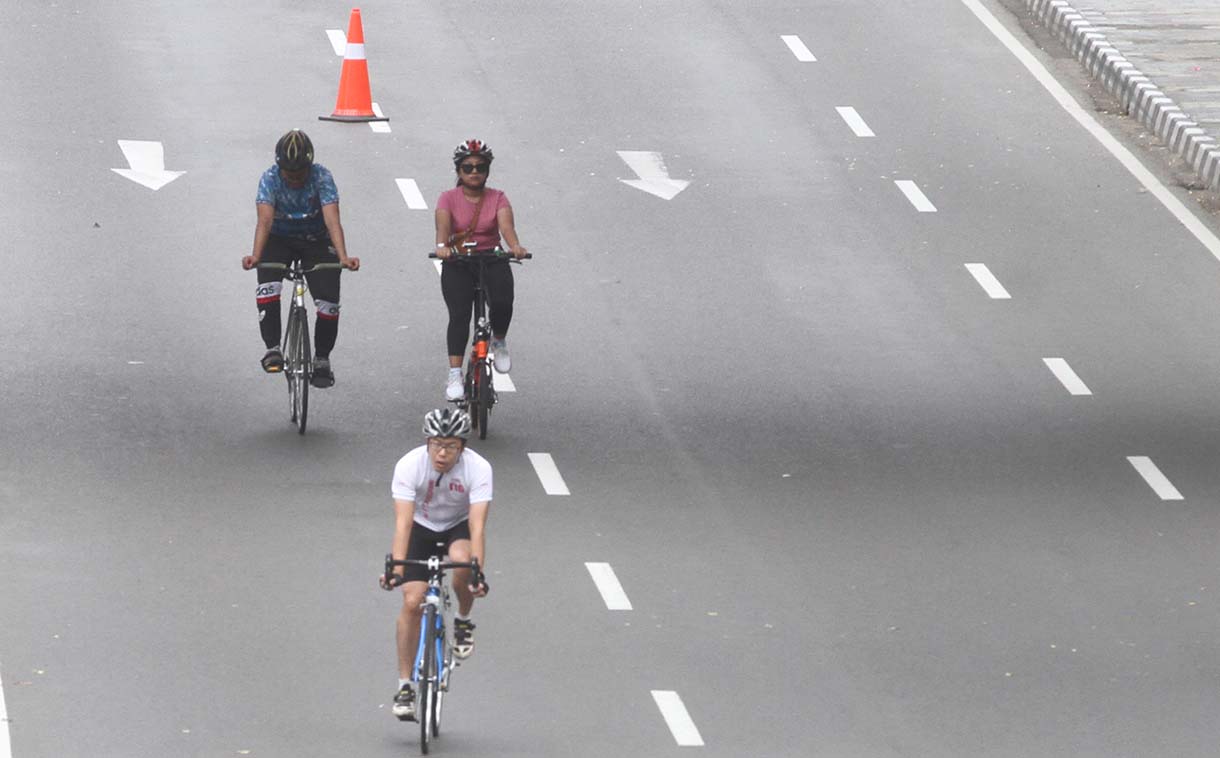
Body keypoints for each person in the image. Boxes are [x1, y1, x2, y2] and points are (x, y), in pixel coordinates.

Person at [383, 408, 491, 721]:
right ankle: (405, 686)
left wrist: (477, 573)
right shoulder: (409, 465)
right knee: (412, 601)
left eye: (451, 446)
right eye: (437, 445)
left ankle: (463, 620)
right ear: (427, 442)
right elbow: (403, 523)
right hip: (420, 528)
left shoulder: (479, 469)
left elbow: (478, 526)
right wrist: (396, 571)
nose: (443, 453)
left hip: (457, 527)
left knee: (461, 563)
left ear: (463, 448)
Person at [242, 129, 359, 388]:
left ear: (309, 166)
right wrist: (256, 256)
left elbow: (332, 220)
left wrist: (343, 257)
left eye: (300, 174)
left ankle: (322, 360)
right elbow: (264, 220)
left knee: (329, 303)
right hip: (278, 238)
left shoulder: (322, 177)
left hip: (316, 239)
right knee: (267, 288)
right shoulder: (270, 178)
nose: (294, 179)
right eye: (289, 174)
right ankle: (272, 347)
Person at [433, 139, 528, 401]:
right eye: (468, 167)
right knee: (459, 316)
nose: (474, 172)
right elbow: (442, 228)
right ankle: (454, 373)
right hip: (459, 261)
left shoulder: (498, 197)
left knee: (502, 301)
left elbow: (506, 227)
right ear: (458, 171)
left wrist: (515, 246)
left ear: (487, 170)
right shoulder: (447, 198)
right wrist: (442, 247)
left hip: (491, 258)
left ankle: (499, 341)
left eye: (480, 167)